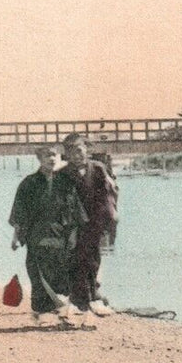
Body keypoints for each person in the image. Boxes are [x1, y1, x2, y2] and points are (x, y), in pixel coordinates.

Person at [9, 146, 87, 326]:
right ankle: (41, 313)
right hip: (36, 235)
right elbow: (20, 212)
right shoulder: (29, 183)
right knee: (38, 274)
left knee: (61, 274)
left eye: (54, 155)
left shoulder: (65, 182)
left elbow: (75, 211)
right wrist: (15, 237)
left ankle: (61, 312)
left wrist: (74, 235)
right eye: (47, 156)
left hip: (61, 234)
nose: (51, 159)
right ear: (39, 159)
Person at [63, 133, 118, 316]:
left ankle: (93, 295)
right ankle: (78, 299)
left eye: (79, 150)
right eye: (71, 152)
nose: (76, 155)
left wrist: (111, 218)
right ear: (66, 155)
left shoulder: (98, 169)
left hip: (94, 221)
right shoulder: (62, 174)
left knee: (93, 258)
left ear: (86, 149)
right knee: (74, 258)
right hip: (72, 223)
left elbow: (108, 194)